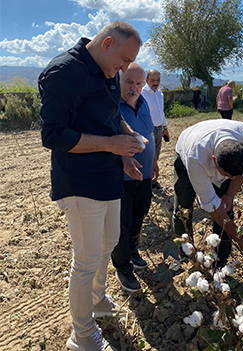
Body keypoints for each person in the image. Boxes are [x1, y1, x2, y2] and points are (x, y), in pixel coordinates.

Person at [40, 21, 143, 351]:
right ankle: (82, 335)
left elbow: (113, 116)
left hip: (108, 175)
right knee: (86, 259)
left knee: (109, 240)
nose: (125, 69)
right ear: (108, 43)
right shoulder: (62, 72)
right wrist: (113, 145)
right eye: (125, 60)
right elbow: (53, 135)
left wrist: (125, 145)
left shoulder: (107, 70)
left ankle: (97, 301)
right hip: (79, 182)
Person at [173, 120, 243, 268]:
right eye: (227, 175)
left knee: (226, 209)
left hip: (215, 146)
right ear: (214, 160)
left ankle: (219, 261)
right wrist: (238, 237)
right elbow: (210, 205)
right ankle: (185, 253)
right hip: (186, 152)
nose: (232, 179)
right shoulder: (196, 156)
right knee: (182, 210)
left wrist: (229, 195)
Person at [111, 63, 154, 293]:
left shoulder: (144, 102)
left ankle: (133, 251)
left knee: (139, 216)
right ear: (119, 81)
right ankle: (122, 267)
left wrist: (153, 162)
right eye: (129, 82)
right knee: (122, 225)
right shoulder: (111, 108)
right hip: (122, 179)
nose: (134, 88)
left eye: (138, 83)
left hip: (145, 175)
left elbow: (148, 134)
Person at [141, 68, 169, 189]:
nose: (155, 83)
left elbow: (160, 111)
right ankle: (147, 183)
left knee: (156, 156)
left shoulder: (159, 93)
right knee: (148, 156)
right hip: (148, 130)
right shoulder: (142, 94)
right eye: (152, 80)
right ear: (146, 80)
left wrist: (165, 127)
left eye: (158, 80)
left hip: (158, 129)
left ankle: (152, 181)